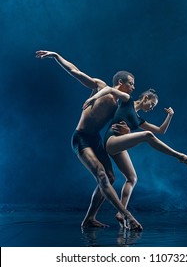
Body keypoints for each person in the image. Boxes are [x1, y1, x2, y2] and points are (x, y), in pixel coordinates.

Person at [35, 50, 142, 231]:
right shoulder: (100, 87)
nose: (133, 88)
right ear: (120, 82)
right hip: (81, 138)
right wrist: (56, 56)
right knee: (101, 175)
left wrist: (127, 130)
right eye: (131, 84)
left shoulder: (120, 106)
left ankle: (89, 219)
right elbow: (75, 72)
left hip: (96, 140)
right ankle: (127, 215)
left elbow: (125, 125)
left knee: (110, 177)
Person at [83, 85, 187, 227]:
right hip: (111, 141)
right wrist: (93, 97)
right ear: (145, 98)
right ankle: (179, 156)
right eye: (152, 104)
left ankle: (120, 213)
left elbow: (161, 131)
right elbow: (110, 90)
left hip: (119, 144)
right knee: (147, 135)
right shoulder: (127, 101)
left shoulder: (139, 119)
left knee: (132, 178)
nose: (152, 108)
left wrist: (170, 116)